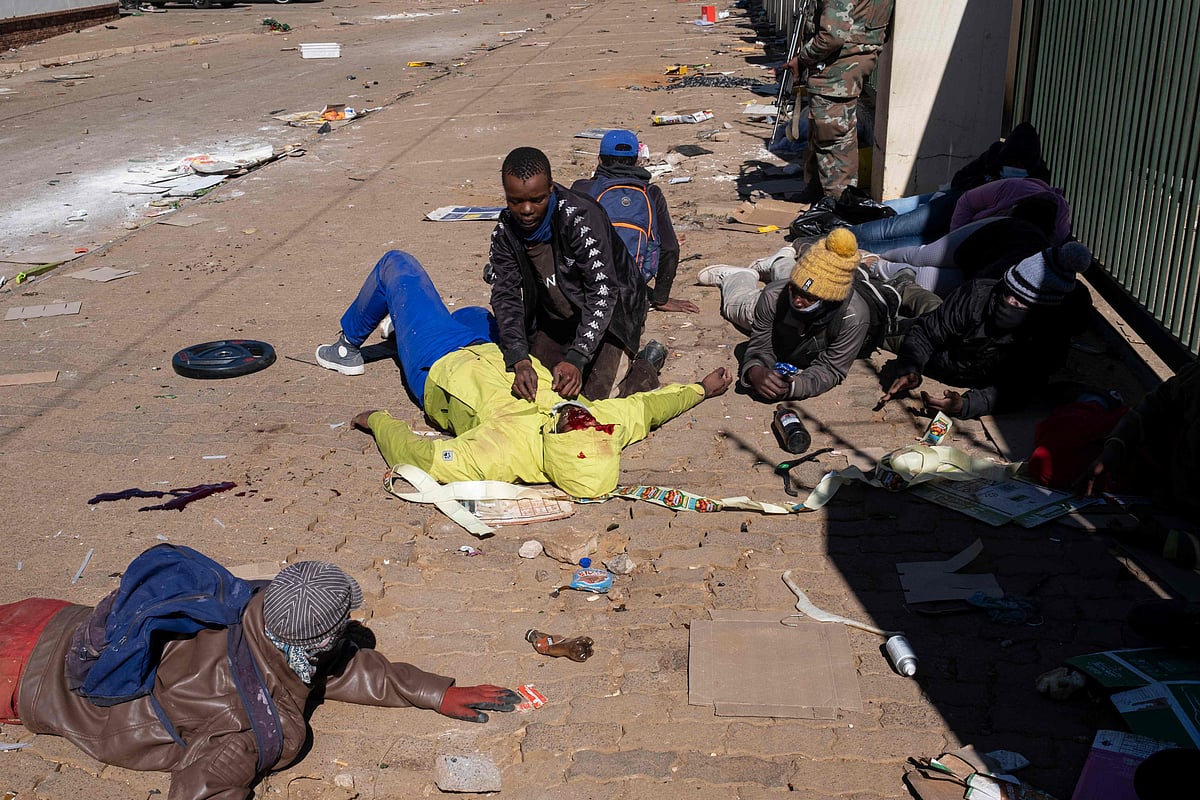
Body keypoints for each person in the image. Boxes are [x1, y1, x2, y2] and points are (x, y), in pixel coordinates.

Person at [1, 553, 520, 800]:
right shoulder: (246, 722)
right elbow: (198, 789)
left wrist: (434, 691)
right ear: (317, 641)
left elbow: (335, 667)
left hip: (53, 617)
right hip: (21, 681)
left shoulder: (251, 606)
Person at [317, 251, 732, 498]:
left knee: (398, 265)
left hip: (440, 361)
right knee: (478, 312)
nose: (578, 411)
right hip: (499, 350)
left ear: (557, 446)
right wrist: (700, 389)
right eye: (586, 417)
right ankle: (403, 325)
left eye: (571, 421)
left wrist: (375, 421)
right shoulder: (604, 426)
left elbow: (422, 459)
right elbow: (650, 406)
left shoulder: (499, 455)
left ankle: (346, 345)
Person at [488, 146, 664, 402]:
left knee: (596, 403)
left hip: (614, 315)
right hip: (556, 319)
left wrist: (578, 357)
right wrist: (519, 357)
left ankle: (646, 364)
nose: (526, 210)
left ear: (550, 189)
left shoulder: (581, 218)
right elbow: (506, 296)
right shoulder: (505, 232)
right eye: (516, 201)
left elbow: (602, 292)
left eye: (536, 200)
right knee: (542, 395)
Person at [697, 229, 921, 403]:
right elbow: (760, 345)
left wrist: (794, 387)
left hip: (837, 302)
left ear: (829, 300)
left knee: (801, 284)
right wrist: (754, 370)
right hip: (777, 300)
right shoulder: (776, 295)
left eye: (809, 298)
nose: (797, 300)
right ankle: (740, 275)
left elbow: (832, 368)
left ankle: (780, 261)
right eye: (796, 291)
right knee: (736, 306)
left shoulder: (854, 317)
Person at [878, 242, 1093, 419]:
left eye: (1019, 302)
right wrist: (910, 368)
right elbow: (926, 333)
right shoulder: (977, 294)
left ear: (1039, 310)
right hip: (942, 351)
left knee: (932, 310)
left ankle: (907, 286)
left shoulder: (1048, 335)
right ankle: (903, 286)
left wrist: (966, 405)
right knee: (882, 330)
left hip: (969, 366)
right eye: (1009, 292)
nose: (1009, 301)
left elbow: (1020, 389)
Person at [850, 122, 1053, 252]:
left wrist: (955, 237)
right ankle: (836, 236)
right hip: (952, 204)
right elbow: (961, 181)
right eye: (1012, 162)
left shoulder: (1038, 184)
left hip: (965, 229)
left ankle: (850, 250)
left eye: (1020, 164)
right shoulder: (995, 155)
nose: (1015, 167)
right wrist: (987, 183)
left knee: (902, 244)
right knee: (894, 223)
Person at [571, 129, 699, 315]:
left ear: (600, 160)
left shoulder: (581, 188)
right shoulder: (651, 193)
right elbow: (670, 248)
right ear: (637, 161)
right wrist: (660, 299)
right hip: (632, 285)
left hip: (588, 283)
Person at [780, 0, 895, 205]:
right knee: (823, 131)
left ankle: (838, 205)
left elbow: (832, 37)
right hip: (854, 60)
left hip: (838, 67)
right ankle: (818, 191)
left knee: (834, 138)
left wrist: (803, 58)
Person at [865, 193, 1062, 295]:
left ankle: (871, 263)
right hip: (974, 242)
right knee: (920, 258)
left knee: (922, 273)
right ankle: (874, 261)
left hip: (980, 272)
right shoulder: (1014, 229)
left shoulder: (1042, 257)